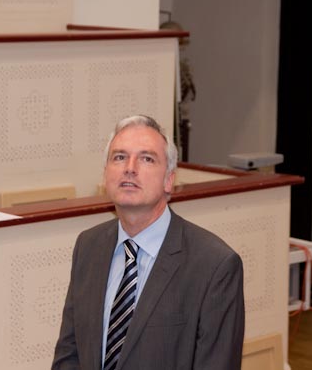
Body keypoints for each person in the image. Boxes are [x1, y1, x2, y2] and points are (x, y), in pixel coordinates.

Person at [52, 115, 245, 370]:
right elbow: (69, 354)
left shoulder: (215, 266)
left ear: (169, 180)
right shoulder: (88, 246)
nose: (130, 168)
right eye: (119, 157)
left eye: (146, 159)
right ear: (105, 174)